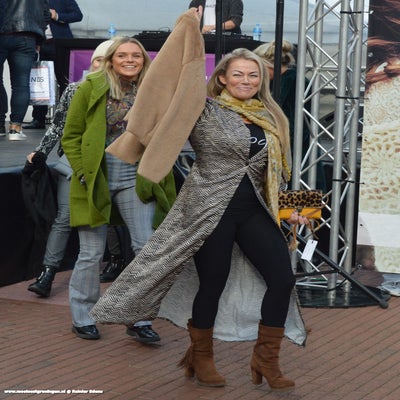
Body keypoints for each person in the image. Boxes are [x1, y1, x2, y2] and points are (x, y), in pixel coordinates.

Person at [89, 8, 308, 391]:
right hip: (208, 210)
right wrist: (187, 29)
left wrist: (294, 209)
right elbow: (168, 79)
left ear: (262, 79)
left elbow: (278, 169)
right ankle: (200, 356)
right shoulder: (202, 109)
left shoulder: (272, 115)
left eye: (253, 75)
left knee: (282, 278)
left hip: (255, 211)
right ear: (221, 77)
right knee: (212, 284)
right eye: (238, 74)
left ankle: (266, 360)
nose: (246, 81)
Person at [61, 36, 176, 342]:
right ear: (111, 59)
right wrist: (82, 171)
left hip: (135, 175)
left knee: (146, 248)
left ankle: (139, 318)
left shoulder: (153, 89)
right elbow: (71, 135)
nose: (129, 60)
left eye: (135, 55)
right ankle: (83, 317)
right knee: (91, 253)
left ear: (144, 60)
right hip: (95, 175)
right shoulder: (90, 87)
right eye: (122, 55)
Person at [26, 39, 125, 298]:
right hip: (74, 160)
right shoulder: (75, 90)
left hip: (109, 161)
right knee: (64, 217)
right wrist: (41, 152)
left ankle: (116, 260)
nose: (101, 65)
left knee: (106, 215)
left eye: (106, 60)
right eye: (97, 60)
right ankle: (47, 273)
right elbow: (59, 125)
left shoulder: (124, 94)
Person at [23, 0, 83, 130]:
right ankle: (38, 119)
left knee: (64, 81)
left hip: (60, 44)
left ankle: (65, 118)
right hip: (38, 44)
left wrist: (57, 16)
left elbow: (78, 15)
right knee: (40, 81)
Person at [0, 0, 51, 140]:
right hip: (26, 35)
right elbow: (45, 15)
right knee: (21, 84)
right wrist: (39, 41)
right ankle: (15, 128)